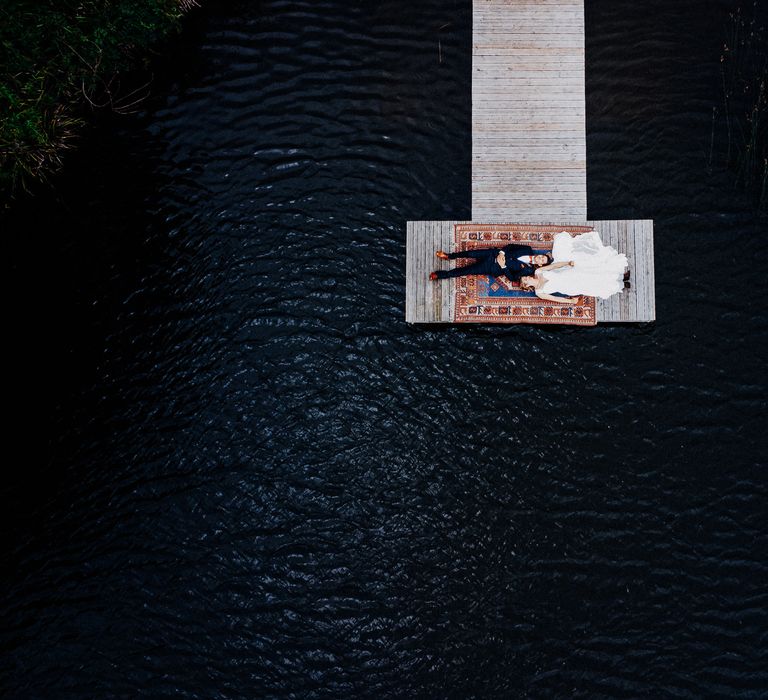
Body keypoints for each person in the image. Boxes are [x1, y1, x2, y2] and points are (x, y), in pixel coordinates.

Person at [518, 230, 629, 303]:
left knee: (592, 272)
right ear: (527, 286)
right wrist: (571, 301)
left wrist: (567, 263)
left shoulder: (538, 271)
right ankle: (620, 284)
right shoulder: (539, 292)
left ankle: (620, 275)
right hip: (569, 286)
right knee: (593, 283)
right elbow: (555, 298)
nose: (527, 278)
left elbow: (554, 266)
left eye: (526, 277)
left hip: (569, 273)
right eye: (526, 280)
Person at [429, 243, 553, 282]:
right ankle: (449, 256)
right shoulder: (527, 249)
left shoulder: (528, 270)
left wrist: (503, 265)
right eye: (542, 256)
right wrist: (502, 253)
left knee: (466, 271)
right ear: (540, 255)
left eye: (542, 260)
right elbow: (510, 246)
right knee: (469, 253)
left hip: (493, 267)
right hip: (492, 254)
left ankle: (440, 275)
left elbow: (513, 278)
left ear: (541, 264)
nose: (540, 258)